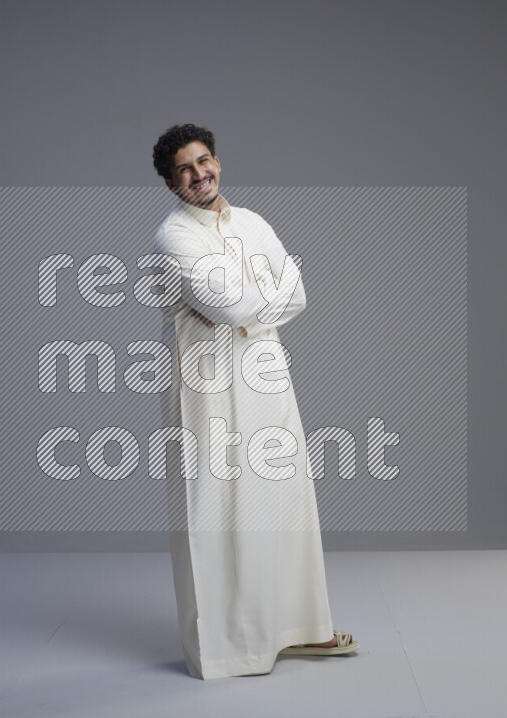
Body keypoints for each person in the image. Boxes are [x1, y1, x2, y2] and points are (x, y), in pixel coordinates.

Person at [150, 123, 358, 679]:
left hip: (266, 376)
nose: (199, 175)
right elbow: (233, 306)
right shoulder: (173, 237)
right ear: (171, 184)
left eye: (204, 162)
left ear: (217, 162)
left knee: (283, 501)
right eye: (184, 170)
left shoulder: (253, 223)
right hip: (207, 387)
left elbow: (298, 294)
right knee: (216, 511)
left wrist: (242, 307)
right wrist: (252, 301)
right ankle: (227, 648)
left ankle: (300, 629)